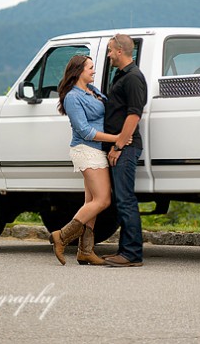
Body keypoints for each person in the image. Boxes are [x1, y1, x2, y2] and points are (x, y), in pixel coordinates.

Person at [49, 55, 128, 266]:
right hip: (86, 150)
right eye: (91, 68)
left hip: (96, 150)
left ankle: (85, 251)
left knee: (90, 202)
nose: (94, 71)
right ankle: (62, 236)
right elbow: (84, 131)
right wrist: (117, 138)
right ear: (79, 71)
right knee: (103, 200)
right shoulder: (73, 97)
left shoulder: (92, 90)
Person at [103, 34, 148, 267]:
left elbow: (133, 114)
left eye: (110, 50)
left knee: (125, 199)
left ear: (120, 51)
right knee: (121, 199)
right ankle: (124, 251)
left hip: (126, 148)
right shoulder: (121, 75)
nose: (108, 54)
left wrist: (119, 145)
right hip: (120, 146)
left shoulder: (133, 78)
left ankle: (131, 254)